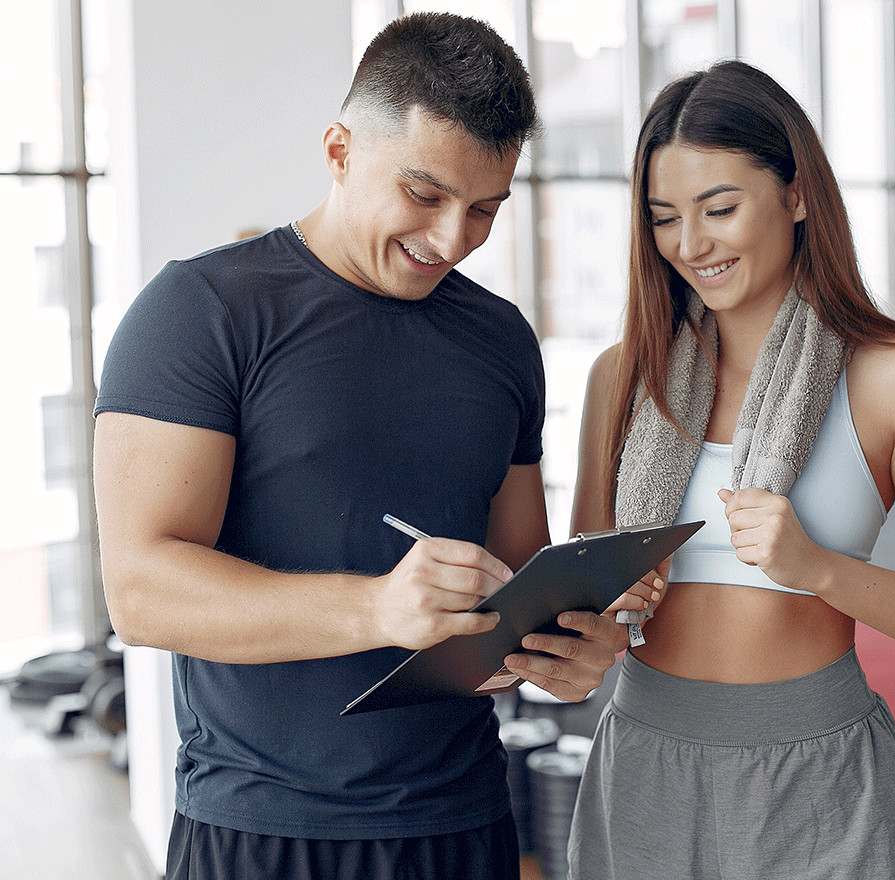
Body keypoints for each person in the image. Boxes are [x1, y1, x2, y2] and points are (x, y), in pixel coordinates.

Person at [92, 13, 636, 880]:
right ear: (340, 149)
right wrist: (376, 610)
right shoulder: (202, 312)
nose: (454, 239)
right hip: (263, 832)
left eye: (485, 209)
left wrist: (561, 652)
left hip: (463, 825)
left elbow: (519, 577)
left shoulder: (501, 340)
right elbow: (141, 591)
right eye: (424, 193)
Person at [567, 60, 895, 880]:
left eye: (719, 208)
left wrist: (818, 569)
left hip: (819, 777)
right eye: (664, 218)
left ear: (797, 195)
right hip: (646, 763)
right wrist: (605, 595)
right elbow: (581, 608)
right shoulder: (622, 375)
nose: (690, 244)